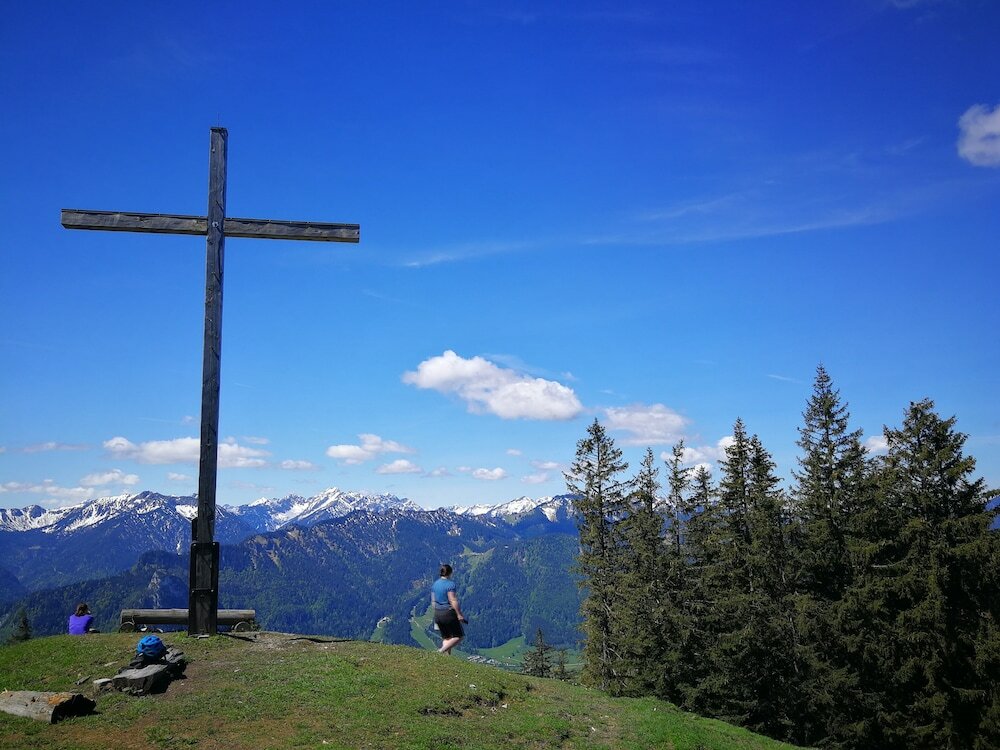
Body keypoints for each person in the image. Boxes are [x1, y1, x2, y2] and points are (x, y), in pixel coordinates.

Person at [430, 563, 467, 655]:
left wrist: (437, 612)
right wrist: (459, 614)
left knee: (446, 637)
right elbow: (453, 600)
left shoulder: (435, 584)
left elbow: (433, 601)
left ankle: (447, 658)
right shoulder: (450, 584)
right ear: (450, 573)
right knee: (459, 636)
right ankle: (439, 652)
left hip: (438, 613)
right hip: (448, 612)